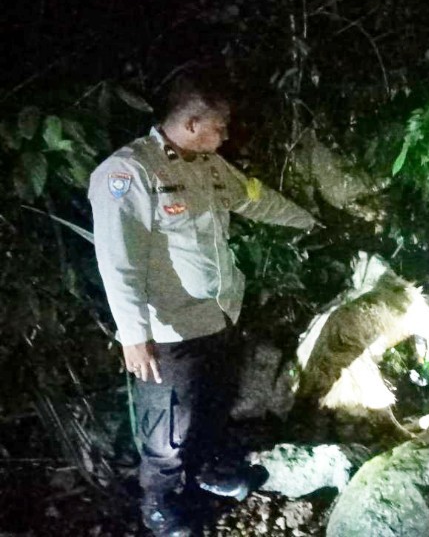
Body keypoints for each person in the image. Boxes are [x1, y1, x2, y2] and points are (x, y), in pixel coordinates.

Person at [88, 69, 317, 536]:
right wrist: (133, 336)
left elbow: (253, 198)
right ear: (191, 123)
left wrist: (308, 221)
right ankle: (160, 505)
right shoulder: (129, 172)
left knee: (214, 404)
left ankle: (210, 472)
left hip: (219, 315)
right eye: (220, 126)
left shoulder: (209, 166)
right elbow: (118, 261)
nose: (226, 135)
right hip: (168, 330)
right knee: (166, 427)